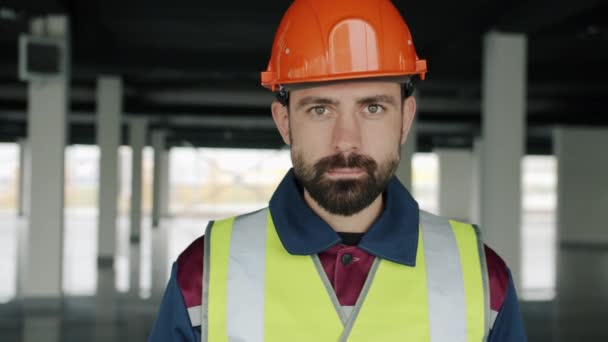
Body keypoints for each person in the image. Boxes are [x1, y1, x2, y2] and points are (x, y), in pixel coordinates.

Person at [149, 0, 527, 340]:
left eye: (373, 108)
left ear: (405, 118)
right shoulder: (202, 276)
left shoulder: (482, 281)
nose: (346, 140)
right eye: (320, 109)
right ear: (284, 121)